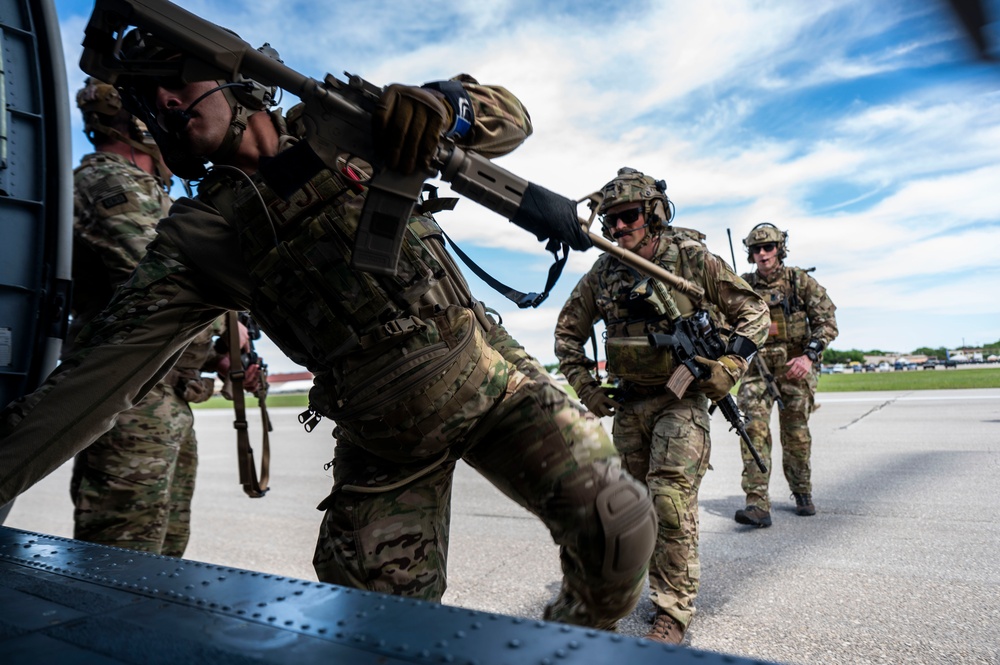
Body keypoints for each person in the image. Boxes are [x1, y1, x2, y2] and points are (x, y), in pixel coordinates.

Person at [0, 31, 656, 631]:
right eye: (151, 96)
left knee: (618, 527)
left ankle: (570, 639)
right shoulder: (200, 235)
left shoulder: (350, 125)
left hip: (491, 375)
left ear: (234, 76)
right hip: (384, 443)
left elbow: (510, 117)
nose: (166, 101)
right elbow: (91, 383)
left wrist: (443, 105)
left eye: (178, 77)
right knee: (374, 628)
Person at [554, 167, 769, 644]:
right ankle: (612, 599)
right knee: (627, 509)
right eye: (609, 220)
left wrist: (730, 365)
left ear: (651, 215)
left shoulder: (690, 259)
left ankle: (671, 611)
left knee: (669, 500)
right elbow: (567, 333)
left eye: (628, 216)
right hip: (630, 405)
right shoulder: (604, 272)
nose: (617, 227)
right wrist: (587, 389)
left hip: (682, 399)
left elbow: (755, 313)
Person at [66, 78, 233, 556]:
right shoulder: (109, 178)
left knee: (165, 549)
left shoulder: (148, 188)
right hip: (130, 394)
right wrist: (229, 327)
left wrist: (223, 348)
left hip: (165, 391)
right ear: (139, 122)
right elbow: (158, 276)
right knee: (122, 553)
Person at [734, 223, 839, 528]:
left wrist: (809, 356)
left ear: (780, 249)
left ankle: (801, 492)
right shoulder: (743, 286)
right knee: (753, 430)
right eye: (756, 249)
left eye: (768, 247)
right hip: (757, 371)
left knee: (795, 435)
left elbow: (827, 322)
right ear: (750, 254)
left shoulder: (800, 281)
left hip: (795, 369)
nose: (763, 254)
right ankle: (756, 503)